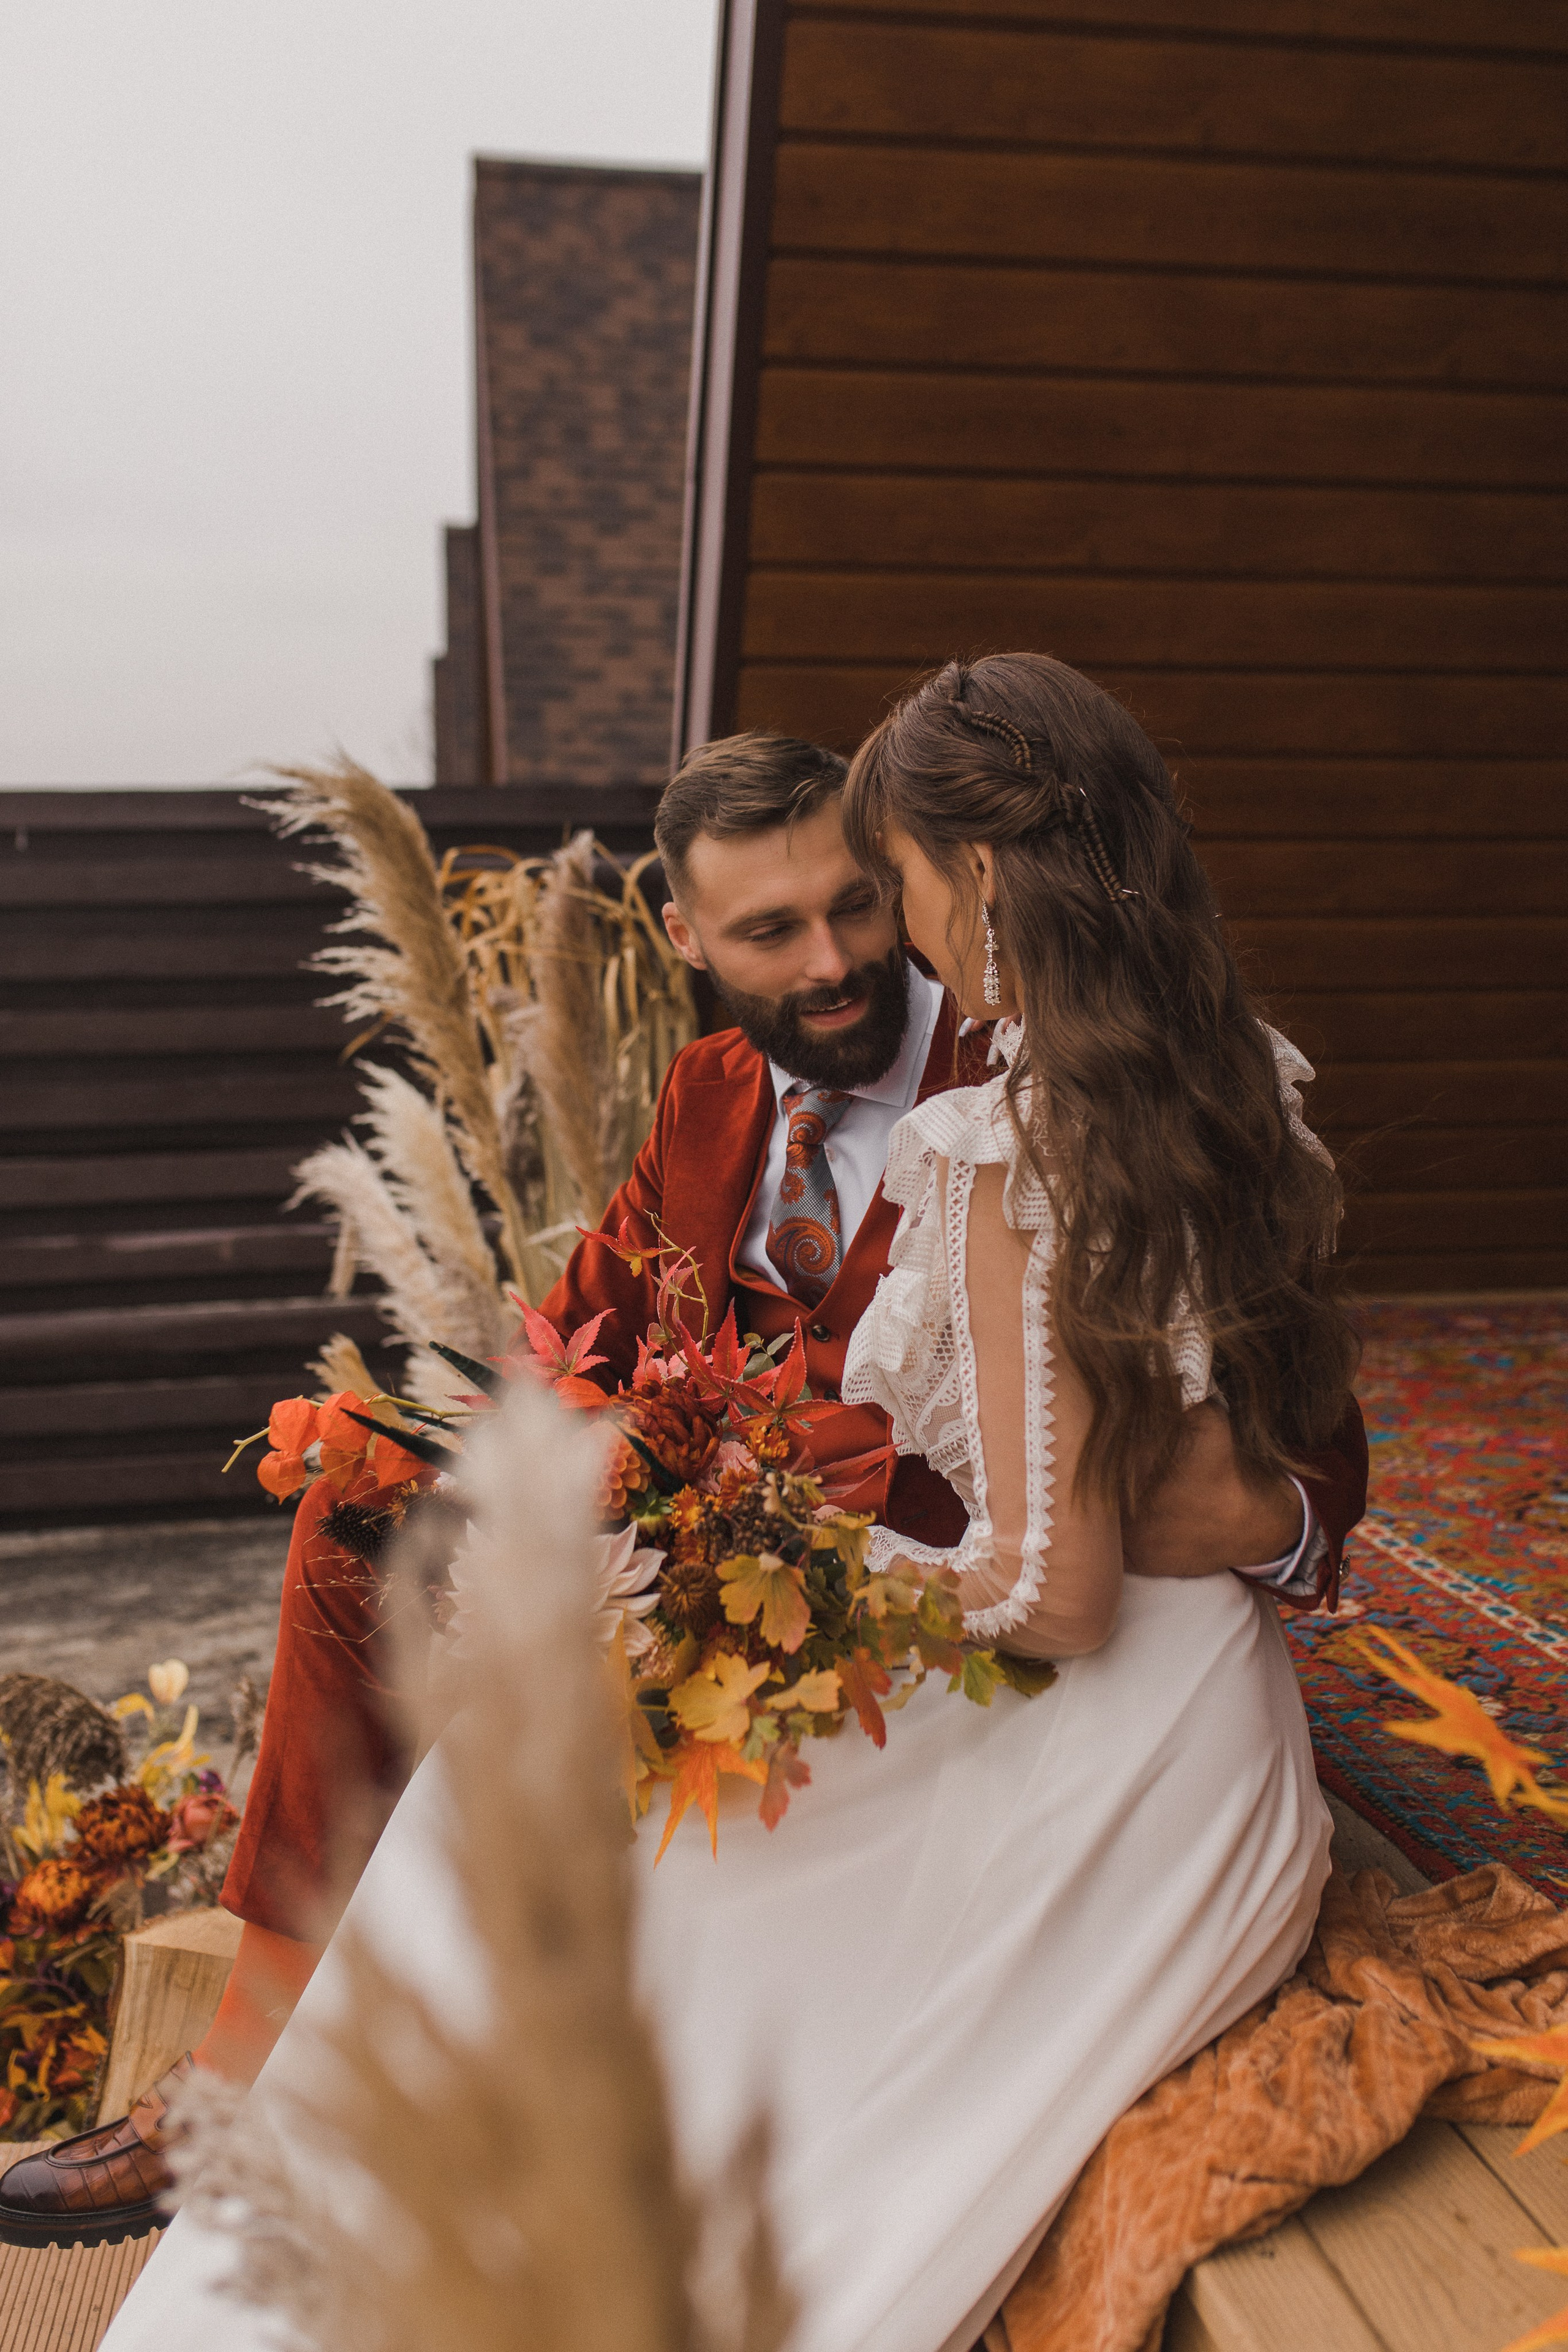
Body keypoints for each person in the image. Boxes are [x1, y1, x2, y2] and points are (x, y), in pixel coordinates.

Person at [4, 714, 1365, 2264]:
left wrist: (1256, 1518)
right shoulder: (713, 1091)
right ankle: (234, 2077)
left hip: (930, 1624)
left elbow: (1293, 1437)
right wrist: (468, 1460)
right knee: (358, 1525)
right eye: (769, 933)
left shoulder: (1041, 1068)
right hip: (715, 1550)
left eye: (857, 905)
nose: (834, 962)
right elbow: (592, 1337)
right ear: (685, 937)